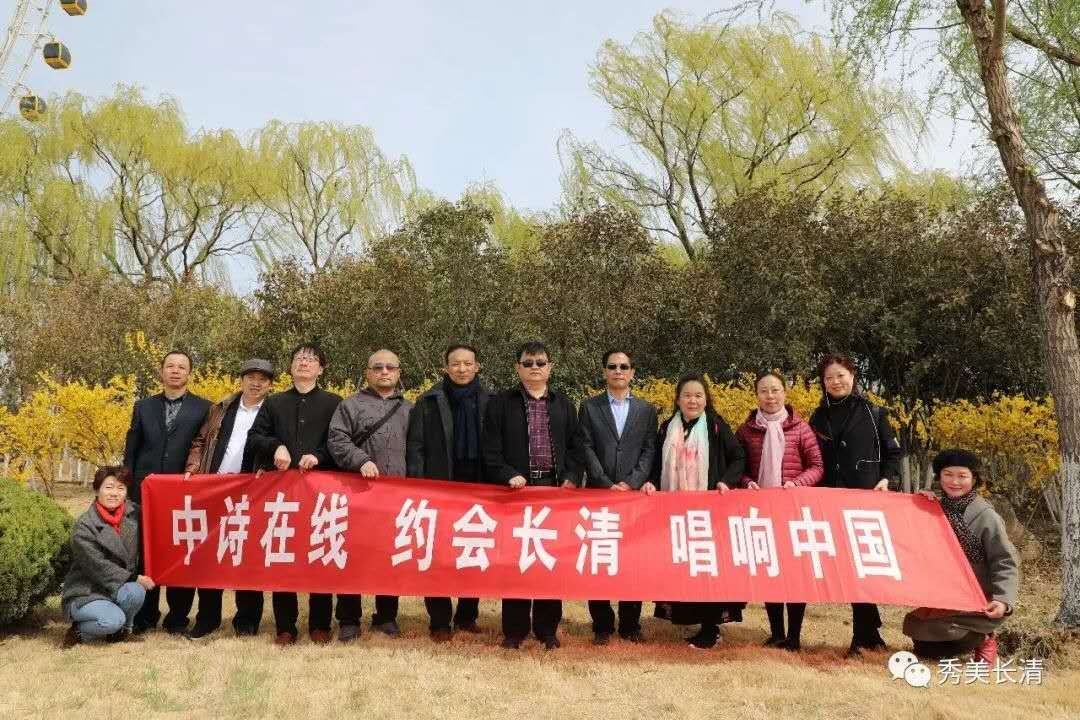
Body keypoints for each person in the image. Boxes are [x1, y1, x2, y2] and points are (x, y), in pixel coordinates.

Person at [484, 340, 586, 650]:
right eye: (527, 363)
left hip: (554, 492)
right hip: (516, 493)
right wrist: (507, 474)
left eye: (540, 362)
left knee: (549, 560)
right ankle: (514, 631)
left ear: (550, 367)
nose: (534, 368)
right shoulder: (501, 403)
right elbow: (491, 450)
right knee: (517, 561)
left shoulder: (563, 404)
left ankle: (547, 629)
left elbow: (577, 448)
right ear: (518, 368)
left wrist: (571, 478)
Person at [245, 343, 343, 646]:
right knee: (282, 554)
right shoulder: (274, 403)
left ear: (321, 369)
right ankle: (285, 626)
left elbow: (340, 441)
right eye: (299, 358)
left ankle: (320, 623)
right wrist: (276, 446)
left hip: (319, 492)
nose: (304, 363)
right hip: (282, 494)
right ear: (290, 367)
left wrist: (319, 455)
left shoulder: (334, 402)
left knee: (320, 552)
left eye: (311, 359)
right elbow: (255, 437)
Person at [808, 352, 903, 657]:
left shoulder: (874, 413)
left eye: (841, 375)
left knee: (861, 565)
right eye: (829, 378)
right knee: (847, 566)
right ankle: (869, 631)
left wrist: (886, 479)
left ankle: (864, 634)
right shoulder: (818, 417)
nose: (835, 382)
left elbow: (893, 453)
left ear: (852, 376)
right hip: (829, 499)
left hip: (864, 499)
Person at [650, 373, 746, 649]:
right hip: (675, 512)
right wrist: (651, 482)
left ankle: (710, 627)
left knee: (707, 567)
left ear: (706, 399)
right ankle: (688, 617)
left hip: (709, 514)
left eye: (698, 395)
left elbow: (738, 457)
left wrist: (726, 481)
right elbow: (656, 464)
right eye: (687, 395)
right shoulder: (667, 427)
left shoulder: (716, 426)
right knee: (682, 563)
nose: (692, 400)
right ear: (678, 399)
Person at [182, 358, 275, 639]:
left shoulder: (274, 411)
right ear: (242, 380)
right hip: (216, 487)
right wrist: (193, 467)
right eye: (251, 377)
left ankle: (246, 620)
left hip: (253, 492)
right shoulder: (221, 408)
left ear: (270, 385)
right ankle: (207, 618)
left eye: (262, 379)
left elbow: (278, 445)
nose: (256, 383)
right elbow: (200, 441)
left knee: (248, 555)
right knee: (211, 554)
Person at [903, 449, 1020, 665]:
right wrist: (919, 503)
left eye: (962, 476)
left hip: (978, 598)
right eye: (948, 474)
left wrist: (1003, 600)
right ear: (939, 477)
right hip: (945, 594)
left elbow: (1004, 561)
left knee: (945, 641)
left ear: (974, 479)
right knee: (920, 638)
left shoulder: (987, 516)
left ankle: (985, 639)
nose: (954, 482)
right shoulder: (935, 505)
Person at [406, 343, 490, 641]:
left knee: (473, 549)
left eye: (468, 363)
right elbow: (416, 447)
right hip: (439, 487)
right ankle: (439, 620)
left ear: (477, 366)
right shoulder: (428, 401)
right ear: (445, 367)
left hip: (479, 488)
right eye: (455, 364)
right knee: (437, 554)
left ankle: (467, 616)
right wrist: (419, 485)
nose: (462, 369)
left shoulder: (491, 400)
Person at [735, 371, 824, 651]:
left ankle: (794, 636)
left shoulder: (801, 428)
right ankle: (776, 633)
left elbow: (817, 466)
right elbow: (738, 467)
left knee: (796, 572)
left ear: (784, 393)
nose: (770, 396)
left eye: (775, 390)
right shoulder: (746, 430)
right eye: (764, 391)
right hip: (762, 511)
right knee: (770, 570)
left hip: (794, 510)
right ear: (756, 395)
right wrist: (747, 482)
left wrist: (797, 483)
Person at [123, 350, 210, 634]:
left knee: (179, 552)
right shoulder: (143, 406)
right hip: (145, 492)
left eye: (181, 367)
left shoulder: (204, 408)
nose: (175, 370)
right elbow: (131, 450)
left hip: (183, 494)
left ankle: (177, 618)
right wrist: (127, 485)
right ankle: (146, 616)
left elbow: (203, 448)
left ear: (189, 373)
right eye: (170, 366)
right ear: (161, 372)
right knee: (146, 552)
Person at [328, 348, 412, 639]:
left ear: (398, 373)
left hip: (395, 497)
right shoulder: (350, 405)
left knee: (389, 555)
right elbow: (336, 439)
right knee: (352, 555)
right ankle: (348, 618)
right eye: (377, 367)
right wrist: (360, 460)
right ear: (368, 373)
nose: (384, 372)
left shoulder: (409, 409)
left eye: (390, 367)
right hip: (357, 494)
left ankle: (386, 615)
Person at [578, 349, 658, 645]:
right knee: (598, 560)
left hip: (633, 497)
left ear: (632, 372)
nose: (618, 371)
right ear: (605, 372)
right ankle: (601, 624)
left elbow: (649, 449)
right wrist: (604, 482)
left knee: (631, 560)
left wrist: (632, 482)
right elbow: (585, 446)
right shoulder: (589, 407)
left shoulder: (647, 410)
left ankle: (630, 624)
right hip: (599, 494)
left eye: (624, 367)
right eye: (612, 366)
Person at [61, 466, 155, 648]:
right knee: (113, 620)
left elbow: (158, 516)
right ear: (97, 490)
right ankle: (78, 630)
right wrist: (134, 577)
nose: (114, 493)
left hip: (116, 587)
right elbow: (97, 566)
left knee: (136, 592)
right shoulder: (85, 525)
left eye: (120, 488)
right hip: (87, 590)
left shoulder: (134, 513)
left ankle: (122, 632)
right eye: (109, 487)